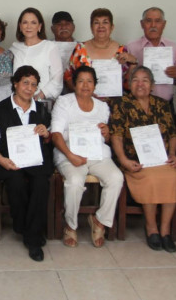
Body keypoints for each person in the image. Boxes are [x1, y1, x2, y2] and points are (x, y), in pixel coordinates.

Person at [110, 66, 176, 252]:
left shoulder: (162, 104)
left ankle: (165, 230)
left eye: (145, 80)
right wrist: (123, 160)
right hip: (135, 161)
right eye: (135, 80)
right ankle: (151, 227)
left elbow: (173, 134)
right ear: (129, 84)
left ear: (152, 85)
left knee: (174, 177)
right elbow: (116, 135)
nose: (140, 84)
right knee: (151, 178)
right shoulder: (121, 104)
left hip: (161, 159)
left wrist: (173, 154)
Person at [0, 66, 54, 261]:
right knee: (15, 183)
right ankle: (28, 230)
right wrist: (2, 160)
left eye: (33, 84)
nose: (29, 88)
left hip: (35, 159)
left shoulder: (41, 110)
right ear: (15, 84)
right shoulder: (0, 110)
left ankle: (31, 235)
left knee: (41, 184)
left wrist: (46, 133)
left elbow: (48, 138)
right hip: (8, 159)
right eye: (25, 83)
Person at [51, 66, 123, 248]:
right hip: (69, 153)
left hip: (97, 154)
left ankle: (100, 221)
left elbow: (106, 138)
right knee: (75, 181)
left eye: (89, 81)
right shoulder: (64, 102)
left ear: (95, 85)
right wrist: (70, 155)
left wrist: (106, 133)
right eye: (81, 81)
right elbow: (56, 134)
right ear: (74, 84)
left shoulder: (102, 107)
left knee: (116, 178)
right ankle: (70, 225)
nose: (85, 85)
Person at [64, 8, 132, 92]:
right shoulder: (80, 49)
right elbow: (68, 76)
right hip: (85, 98)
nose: (101, 26)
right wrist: (82, 92)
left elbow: (129, 83)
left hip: (115, 99)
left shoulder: (122, 50)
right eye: (96, 22)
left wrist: (133, 62)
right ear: (91, 27)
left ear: (112, 27)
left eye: (105, 22)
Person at [124, 7, 176, 102]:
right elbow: (124, 81)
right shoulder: (131, 47)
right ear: (142, 24)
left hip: (166, 104)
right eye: (148, 21)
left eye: (158, 21)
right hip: (138, 104)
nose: (153, 25)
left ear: (164, 24)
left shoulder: (173, 47)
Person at [11, 7, 63, 102]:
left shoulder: (49, 47)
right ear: (20, 26)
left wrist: (39, 96)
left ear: (40, 26)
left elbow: (57, 78)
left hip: (40, 102)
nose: (29, 26)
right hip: (17, 102)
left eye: (33, 23)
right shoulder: (14, 48)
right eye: (25, 22)